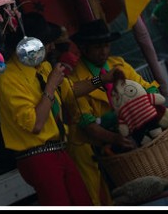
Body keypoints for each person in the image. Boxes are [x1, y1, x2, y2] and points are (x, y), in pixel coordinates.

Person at [0, 13, 120, 206]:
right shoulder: (8, 78)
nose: (52, 46)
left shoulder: (42, 67)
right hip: (37, 156)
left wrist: (101, 79)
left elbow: (71, 90)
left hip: (59, 150)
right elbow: (36, 123)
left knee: (83, 201)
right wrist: (51, 86)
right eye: (46, 42)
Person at [65, 18, 161, 206]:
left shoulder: (119, 65)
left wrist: (150, 98)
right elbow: (88, 125)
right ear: (84, 48)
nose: (104, 52)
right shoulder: (76, 78)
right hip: (90, 148)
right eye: (98, 47)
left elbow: (148, 88)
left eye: (107, 45)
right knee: (100, 199)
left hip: (125, 141)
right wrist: (115, 138)